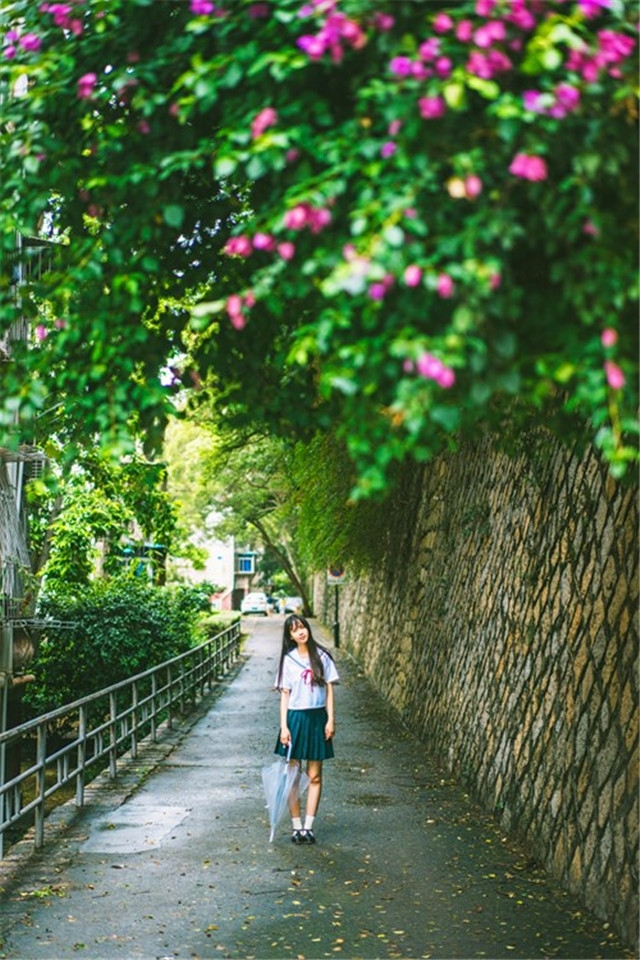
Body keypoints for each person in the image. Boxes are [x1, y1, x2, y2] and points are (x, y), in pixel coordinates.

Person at [273, 614, 339, 844]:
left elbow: (329, 690)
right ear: (290, 636)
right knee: (293, 776)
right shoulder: (288, 661)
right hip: (296, 718)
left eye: (302, 627)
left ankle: (308, 827)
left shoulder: (322, 656)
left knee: (315, 775)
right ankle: (296, 827)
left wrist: (330, 720)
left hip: (317, 717)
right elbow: (285, 695)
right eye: (295, 630)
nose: (300, 632)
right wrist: (284, 727)